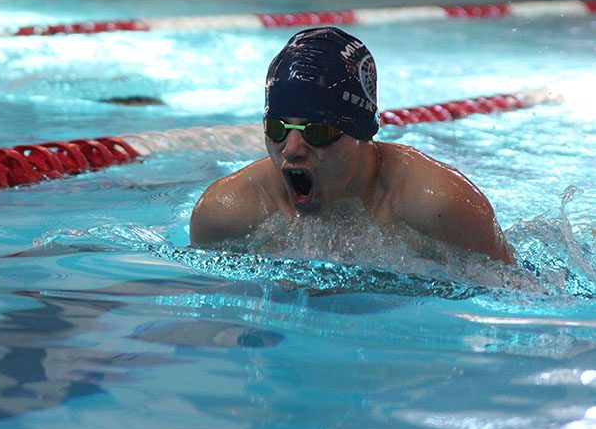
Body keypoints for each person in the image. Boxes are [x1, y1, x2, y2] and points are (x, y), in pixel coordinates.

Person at [190, 26, 514, 265]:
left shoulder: (439, 206)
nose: (290, 149)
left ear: (360, 132)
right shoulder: (227, 213)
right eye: (277, 128)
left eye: (316, 132)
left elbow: (515, 295)